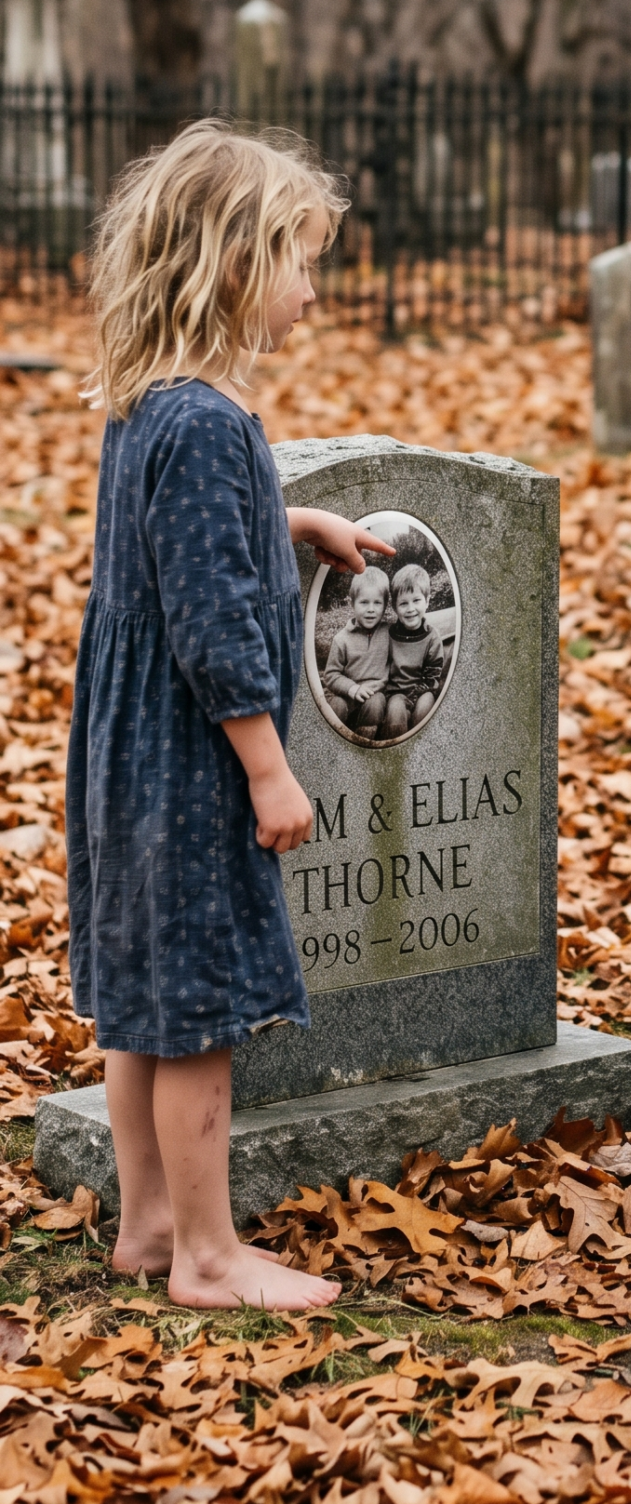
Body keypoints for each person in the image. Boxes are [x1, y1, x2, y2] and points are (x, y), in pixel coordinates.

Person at [68, 121, 396, 1308]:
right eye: (300, 260)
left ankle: (148, 1223)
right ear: (231, 264)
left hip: (124, 748)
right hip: (193, 752)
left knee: (141, 999)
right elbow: (212, 627)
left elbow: (175, 557)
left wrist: (292, 526)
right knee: (197, 1004)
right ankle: (208, 1254)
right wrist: (267, 767)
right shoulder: (209, 423)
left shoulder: (153, 406)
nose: (312, 288)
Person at [321, 566, 392, 733]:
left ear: (385, 605)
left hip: (374, 696)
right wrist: (352, 689)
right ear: (352, 603)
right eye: (364, 602)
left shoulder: (390, 633)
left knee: (376, 702)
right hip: (346, 695)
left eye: (377, 603)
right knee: (336, 706)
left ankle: (364, 744)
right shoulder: (341, 639)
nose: (371, 609)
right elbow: (330, 675)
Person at [382, 561, 446, 735]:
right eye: (403, 604)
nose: (411, 609)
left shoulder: (432, 637)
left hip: (423, 690)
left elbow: (433, 676)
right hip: (396, 694)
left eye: (416, 600)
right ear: (395, 607)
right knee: (395, 712)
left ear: (427, 601)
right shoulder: (388, 635)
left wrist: (417, 694)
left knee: (425, 710)